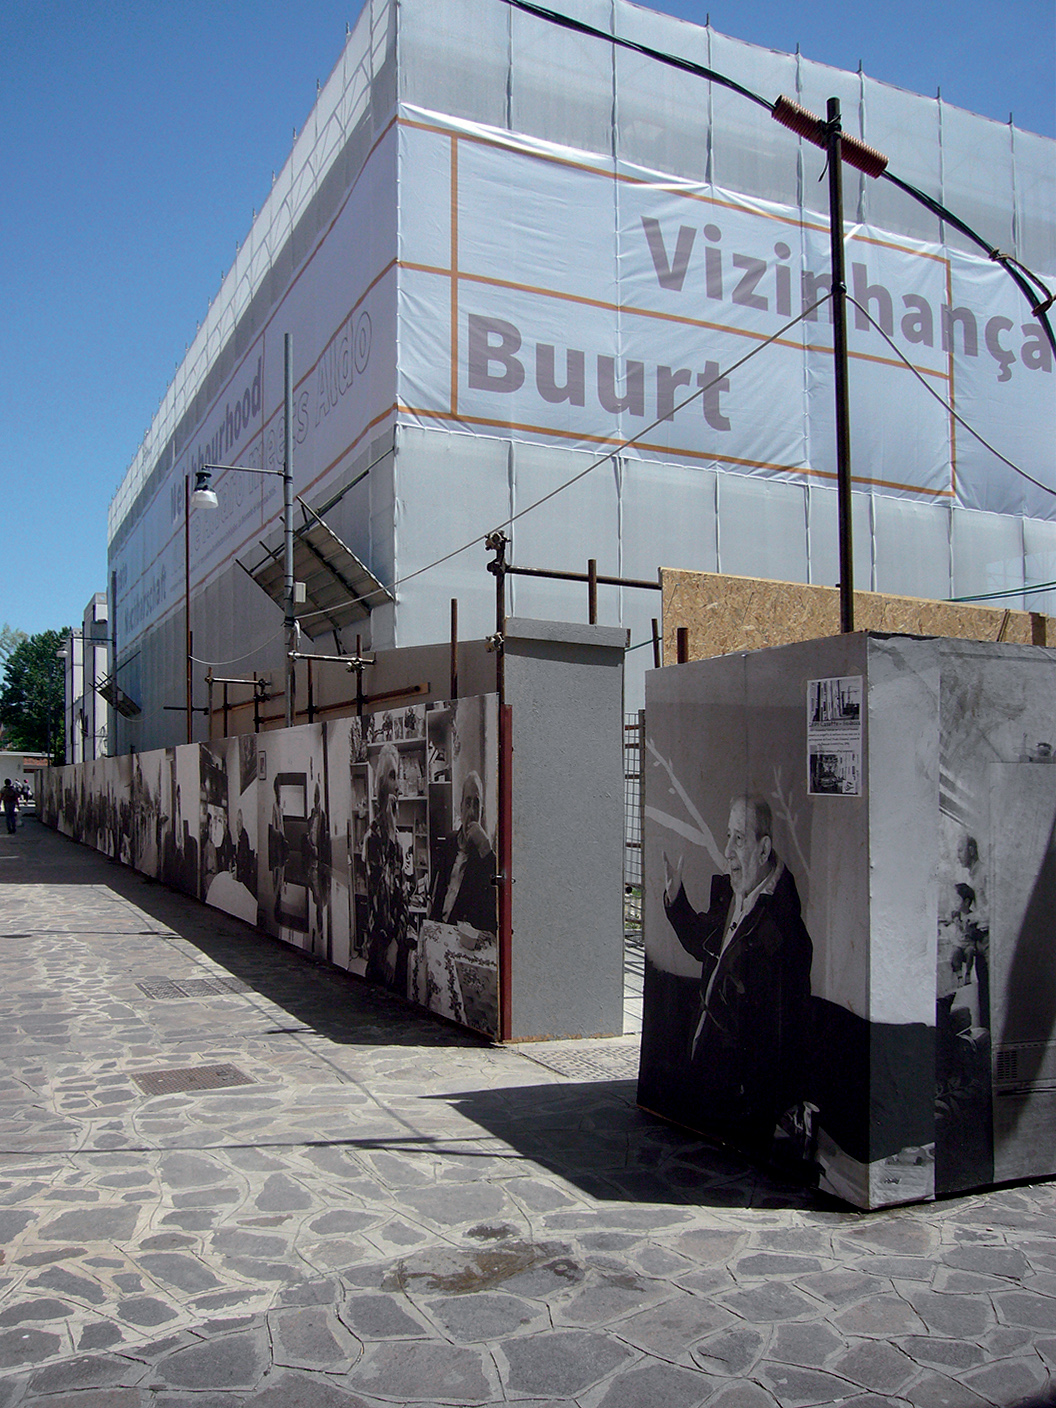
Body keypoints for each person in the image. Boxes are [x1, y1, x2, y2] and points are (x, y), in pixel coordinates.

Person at [663, 794, 813, 1155]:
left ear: (764, 851)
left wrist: (764, 1109)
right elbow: (703, 943)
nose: (728, 850)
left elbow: (781, 1032)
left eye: (739, 839)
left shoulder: (780, 933)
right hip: (706, 1088)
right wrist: (676, 898)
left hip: (736, 1105)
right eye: (728, 836)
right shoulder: (735, 895)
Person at [363, 743, 412, 990]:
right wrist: (388, 946)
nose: (397, 785)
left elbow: (403, 897)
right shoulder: (373, 838)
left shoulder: (399, 840)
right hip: (380, 950)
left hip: (396, 945)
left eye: (398, 776)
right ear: (382, 784)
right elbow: (379, 900)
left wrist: (397, 942)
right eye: (392, 776)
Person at [428, 771, 496, 936]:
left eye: (476, 804)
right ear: (460, 807)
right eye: (468, 802)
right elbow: (437, 890)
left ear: (482, 811)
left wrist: (486, 851)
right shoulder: (450, 841)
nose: (472, 811)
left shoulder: (485, 856)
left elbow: (493, 913)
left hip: (463, 940)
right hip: (440, 930)